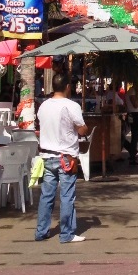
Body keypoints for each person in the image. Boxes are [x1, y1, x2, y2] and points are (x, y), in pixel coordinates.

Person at [35, 71, 89, 243]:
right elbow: (81, 129)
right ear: (67, 87)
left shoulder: (43, 106)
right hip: (66, 156)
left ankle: (41, 231)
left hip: (46, 156)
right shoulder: (71, 106)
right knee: (67, 195)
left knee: (47, 196)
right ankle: (67, 233)